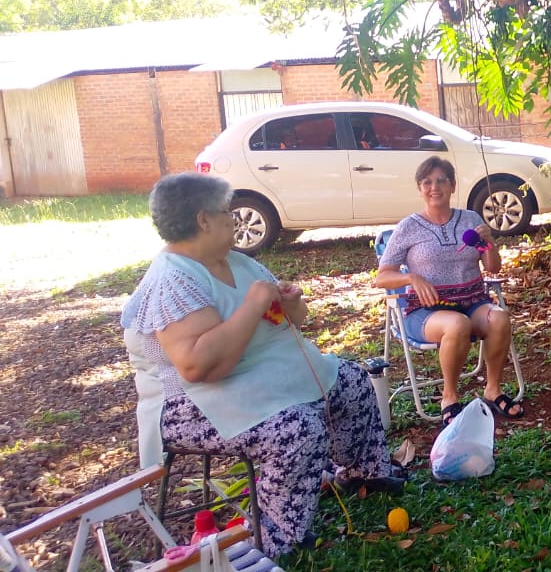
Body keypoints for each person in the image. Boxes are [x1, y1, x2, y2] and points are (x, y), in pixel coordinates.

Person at [122, 172, 402, 557]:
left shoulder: (237, 262)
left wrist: (290, 302)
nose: (233, 218)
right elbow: (198, 367)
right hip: (193, 402)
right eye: (226, 211)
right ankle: (274, 534)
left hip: (256, 377)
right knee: (296, 428)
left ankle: (363, 472)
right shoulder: (172, 280)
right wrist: (254, 305)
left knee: (351, 381)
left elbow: (295, 318)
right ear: (202, 220)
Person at [374, 157, 523, 426]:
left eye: (441, 180)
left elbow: (493, 268)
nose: (435, 187)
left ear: (452, 185)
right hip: (426, 311)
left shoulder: (470, 219)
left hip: (472, 302)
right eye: (427, 182)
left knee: (499, 317)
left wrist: (489, 243)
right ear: (420, 188)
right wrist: (411, 277)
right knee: (457, 324)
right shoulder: (408, 227)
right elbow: (382, 278)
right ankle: (449, 397)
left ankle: (493, 390)